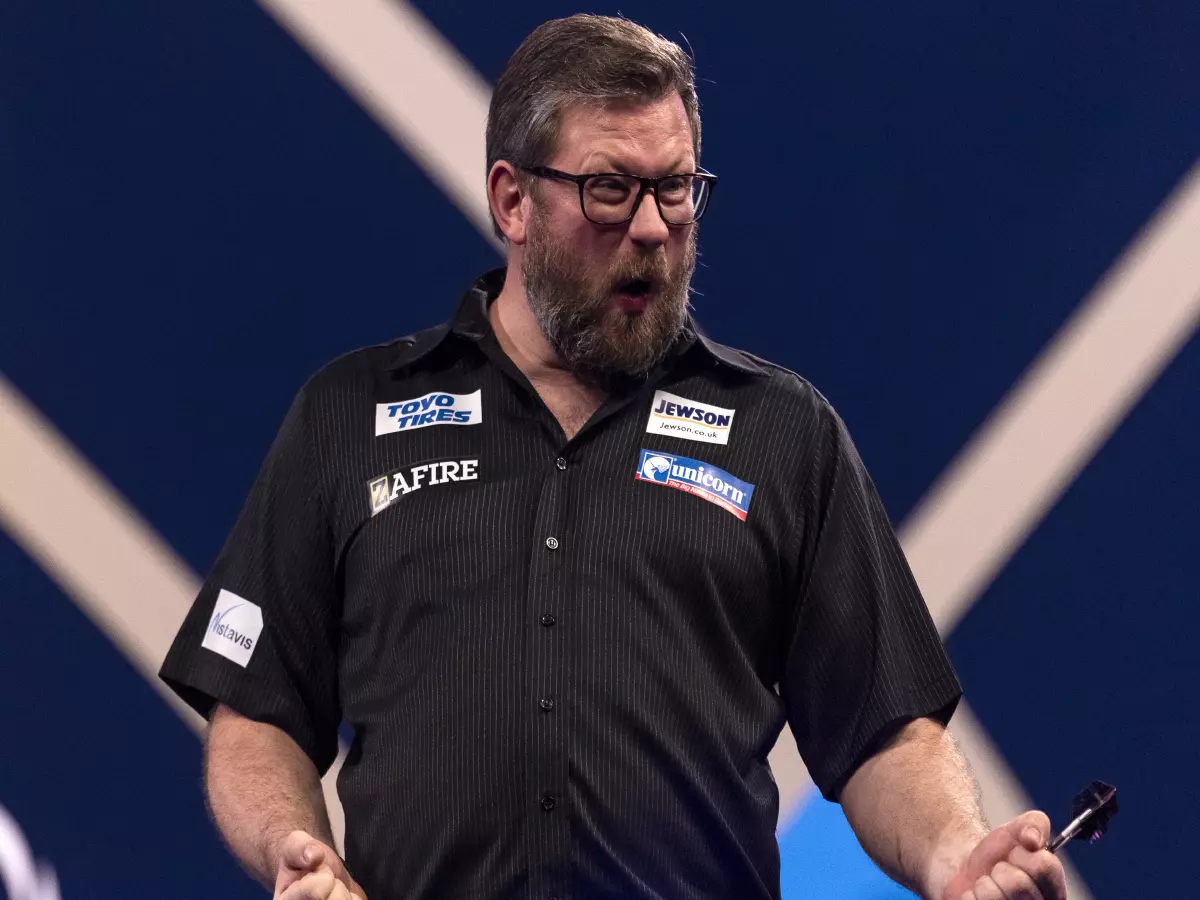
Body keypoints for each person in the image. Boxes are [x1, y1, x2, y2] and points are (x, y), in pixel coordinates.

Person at [159, 14, 1068, 900]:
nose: (651, 230)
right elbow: (257, 711)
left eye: (675, 189)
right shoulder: (349, 416)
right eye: (610, 189)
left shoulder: (783, 432)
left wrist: (953, 855)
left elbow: (884, 733)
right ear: (512, 200)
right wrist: (296, 849)